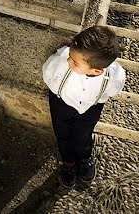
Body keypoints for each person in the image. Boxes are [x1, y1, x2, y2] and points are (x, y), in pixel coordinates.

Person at [42, 25, 127, 188]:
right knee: (62, 133)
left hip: (91, 109)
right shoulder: (61, 62)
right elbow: (48, 73)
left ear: (96, 71)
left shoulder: (113, 76)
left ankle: (84, 157)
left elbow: (113, 90)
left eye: (74, 62)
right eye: (70, 56)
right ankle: (68, 162)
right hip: (61, 104)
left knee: (84, 135)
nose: (68, 61)